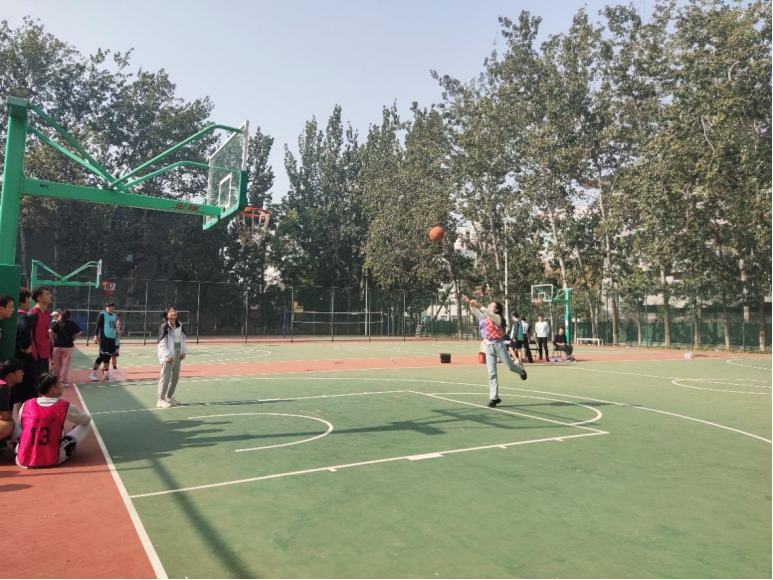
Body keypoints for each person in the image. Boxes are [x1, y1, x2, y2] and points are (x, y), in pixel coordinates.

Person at [14, 373, 92, 468]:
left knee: (15, 425)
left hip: (23, 459)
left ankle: (18, 446)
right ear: (53, 389)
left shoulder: (27, 404)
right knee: (86, 425)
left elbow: (20, 426)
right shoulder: (64, 406)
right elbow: (86, 420)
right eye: (59, 383)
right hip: (52, 458)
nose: (61, 386)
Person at [463, 296, 526, 408]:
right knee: (492, 373)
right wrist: (471, 305)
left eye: (492, 306)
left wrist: (478, 305)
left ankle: (521, 370)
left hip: (499, 346)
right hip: (488, 347)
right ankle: (494, 398)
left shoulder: (497, 318)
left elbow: (488, 312)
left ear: (496, 310)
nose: (489, 306)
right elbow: (475, 312)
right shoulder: (484, 317)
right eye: (489, 305)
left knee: (510, 367)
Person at [12, 287, 38, 411]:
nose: (30, 302)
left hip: (14, 358)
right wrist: (26, 346)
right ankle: (25, 419)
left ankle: (18, 419)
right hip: (24, 361)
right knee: (28, 395)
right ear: (23, 300)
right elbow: (23, 329)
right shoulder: (23, 316)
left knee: (15, 395)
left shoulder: (12, 316)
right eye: (28, 298)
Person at [157, 306, 187, 409]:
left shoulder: (180, 325)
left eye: (174, 311)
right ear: (166, 315)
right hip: (167, 356)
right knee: (165, 377)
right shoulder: (164, 326)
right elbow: (161, 343)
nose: (174, 312)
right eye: (171, 311)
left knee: (175, 378)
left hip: (177, 353)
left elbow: (182, 339)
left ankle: (168, 397)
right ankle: (160, 400)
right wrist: (167, 355)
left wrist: (183, 351)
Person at [51, 310, 83, 388]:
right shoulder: (72, 323)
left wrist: (54, 337)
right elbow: (80, 331)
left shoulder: (57, 323)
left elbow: (49, 331)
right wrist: (74, 336)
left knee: (56, 364)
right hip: (68, 346)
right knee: (65, 364)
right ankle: (63, 380)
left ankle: (56, 379)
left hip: (57, 346)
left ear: (61, 315)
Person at [29, 286, 54, 376]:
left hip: (45, 355)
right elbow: (28, 337)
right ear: (39, 298)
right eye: (47, 294)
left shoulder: (47, 313)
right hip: (35, 357)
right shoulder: (32, 314)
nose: (50, 295)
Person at [90, 302, 118, 382]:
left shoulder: (115, 316)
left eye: (112, 307)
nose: (111, 308)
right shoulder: (102, 315)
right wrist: (95, 335)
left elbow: (114, 327)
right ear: (106, 308)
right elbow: (97, 326)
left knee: (108, 356)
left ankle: (106, 374)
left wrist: (116, 335)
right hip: (104, 338)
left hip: (112, 338)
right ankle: (93, 373)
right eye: (109, 307)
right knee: (102, 355)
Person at [0, 360, 24, 442]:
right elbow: (4, 416)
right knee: (9, 426)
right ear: (10, 375)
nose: (23, 373)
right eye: (20, 370)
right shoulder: (3, 388)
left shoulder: (5, 387)